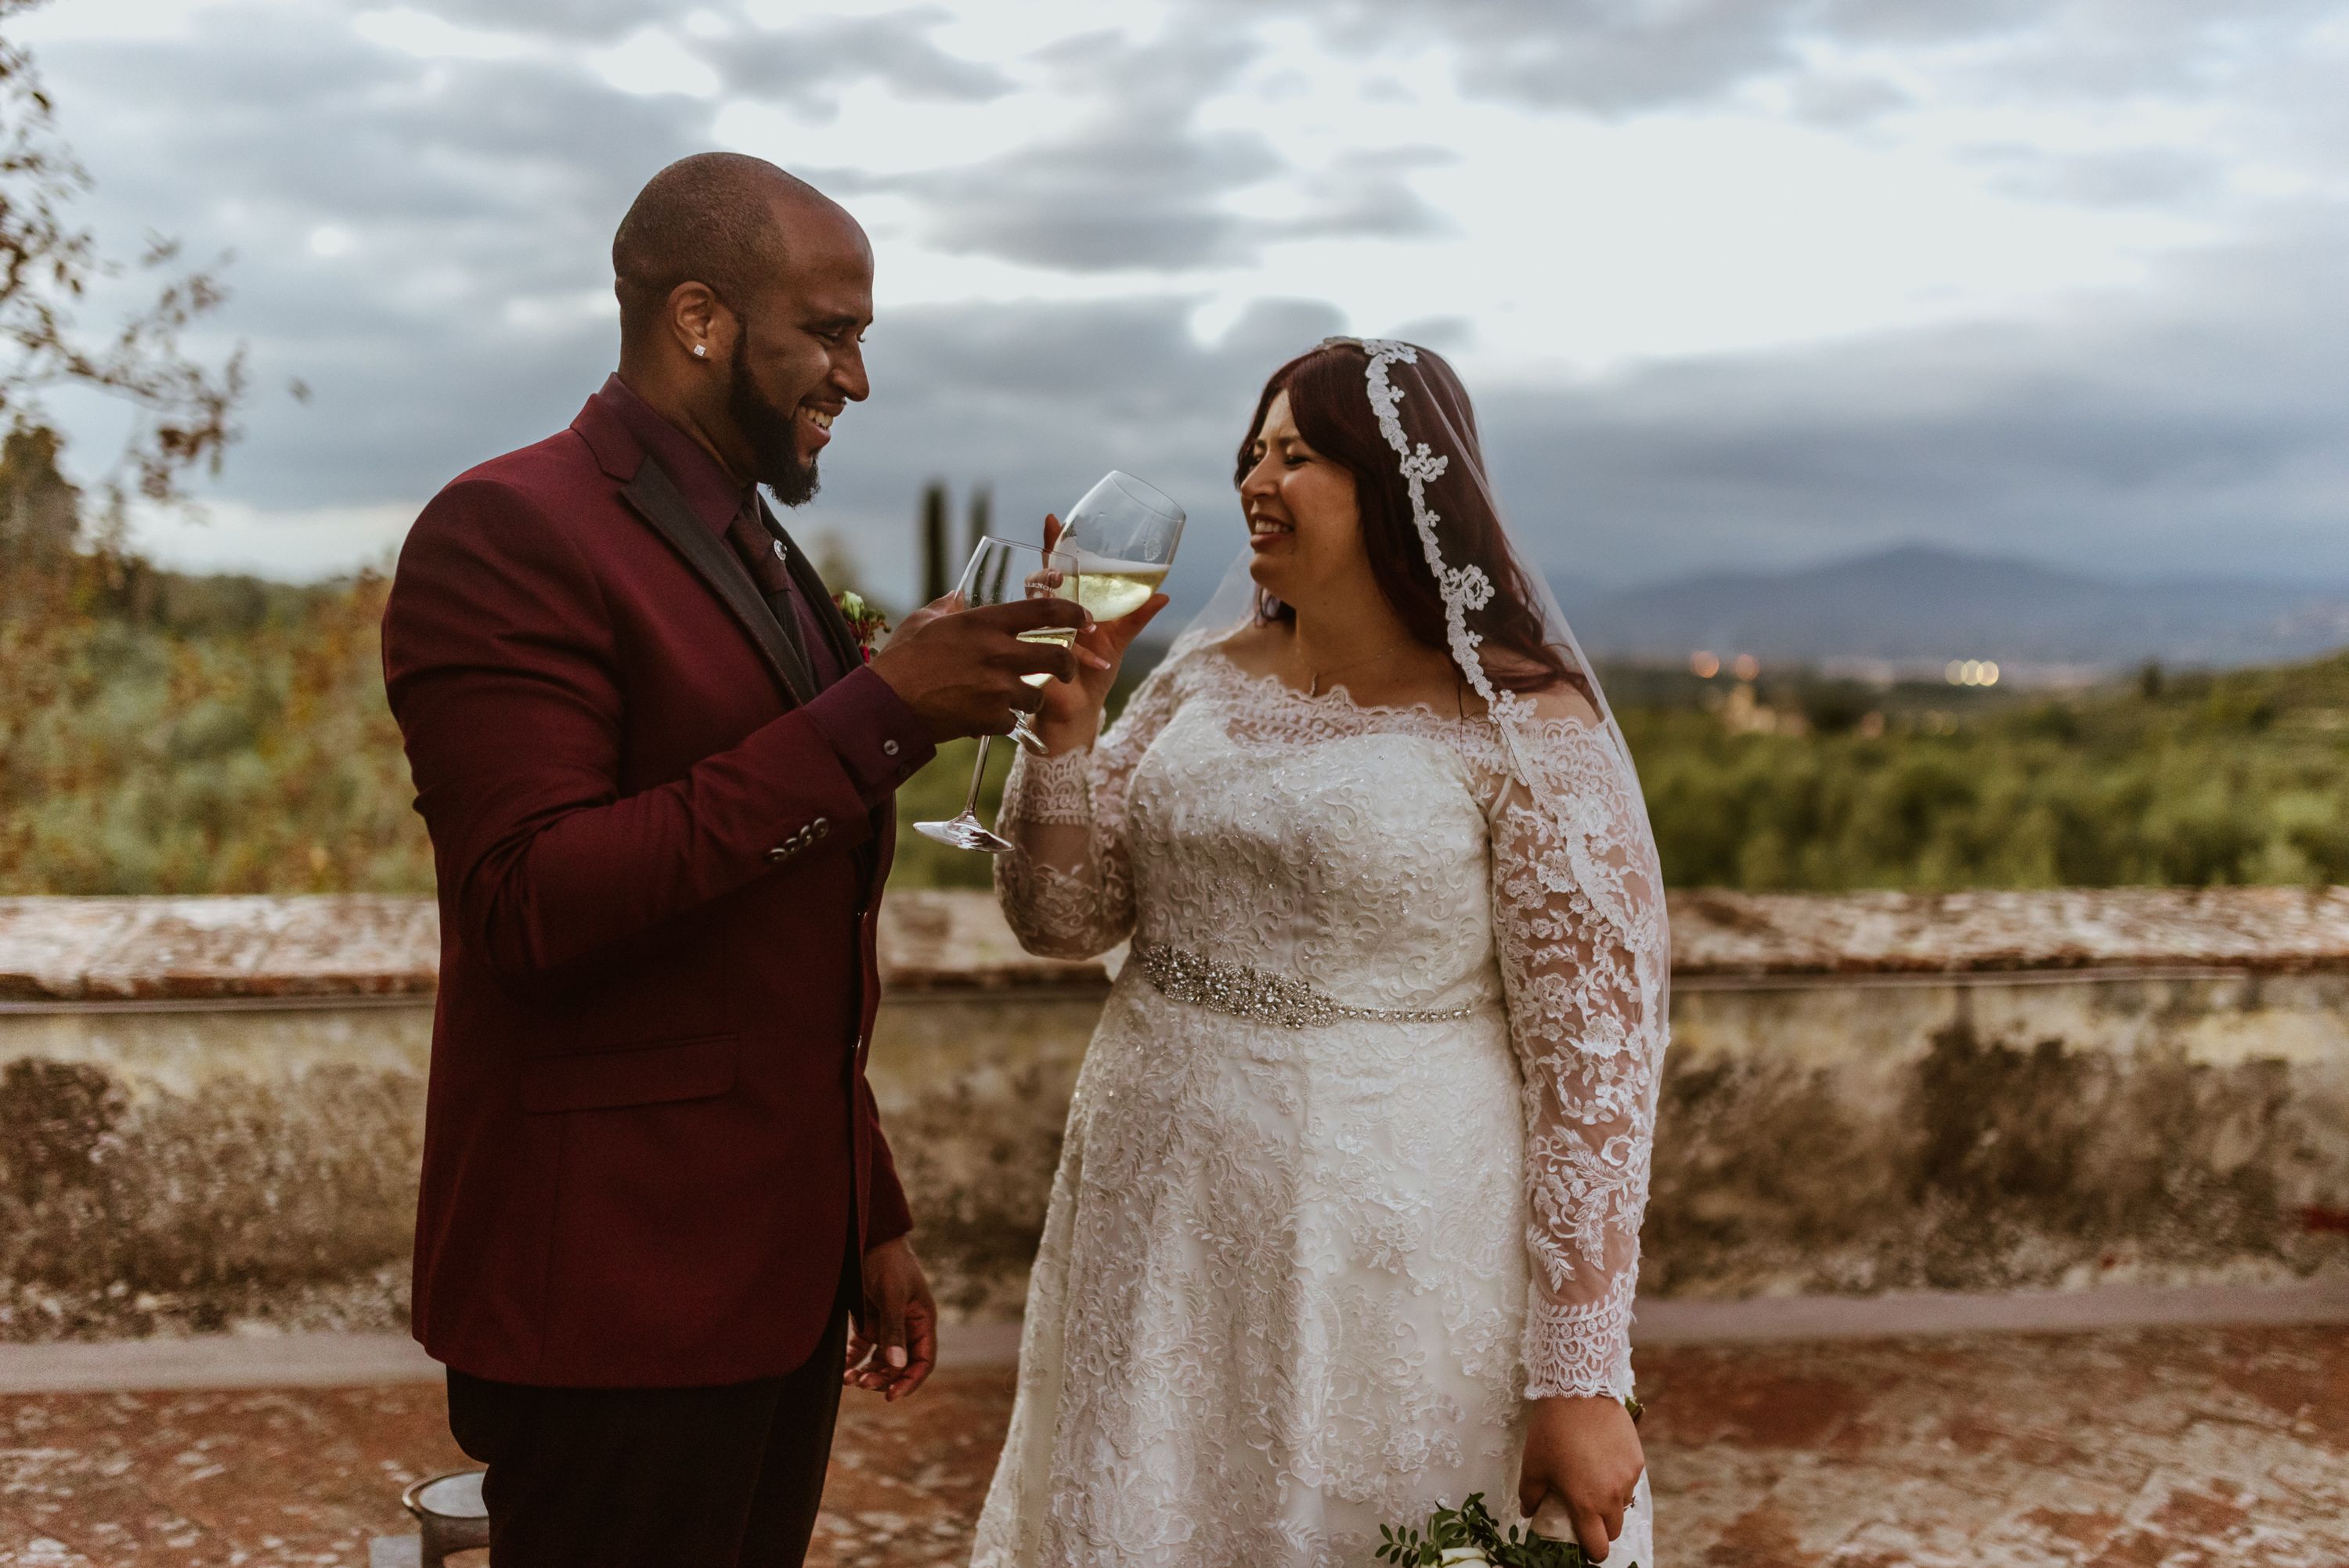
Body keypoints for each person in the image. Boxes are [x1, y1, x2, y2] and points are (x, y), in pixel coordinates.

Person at [380, 153, 1087, 1568]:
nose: (856, 378)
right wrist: (881, 713)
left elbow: (790, 920)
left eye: (862, 337)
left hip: (770, 1278)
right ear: (699, 318)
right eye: (830, 332)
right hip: (612, 1292)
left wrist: (864, 1213)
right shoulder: (507, 531)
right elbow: (535, 897)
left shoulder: (757, 545)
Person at [973, 338, 1671, 1566]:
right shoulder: (1198, 678)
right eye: (1252, 449)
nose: (1257, 475)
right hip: (1153, 1217)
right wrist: (1065, 735)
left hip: (1389, 1244)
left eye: (1297, 453)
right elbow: (1064, 921)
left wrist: (1581, 1371)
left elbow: (1596, 1073)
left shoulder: (1524, 724)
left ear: (1399, 489)